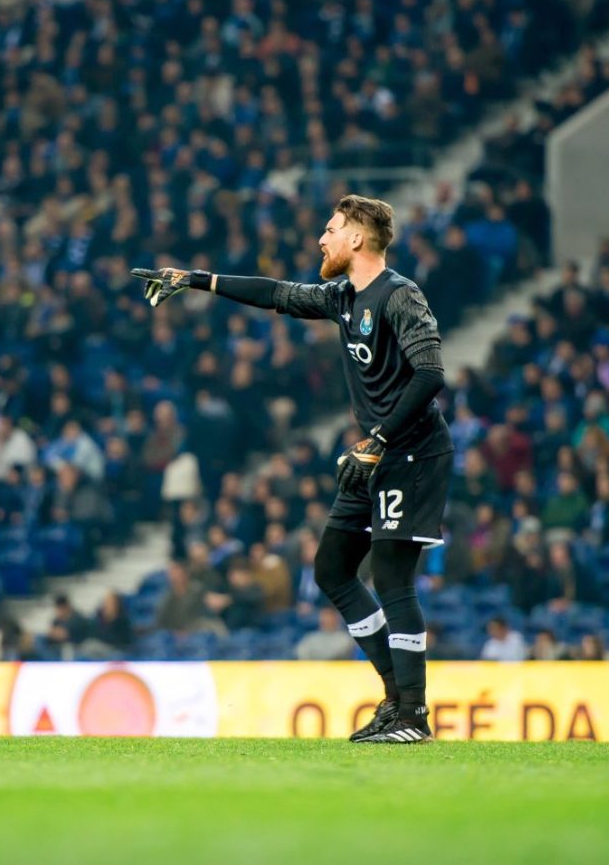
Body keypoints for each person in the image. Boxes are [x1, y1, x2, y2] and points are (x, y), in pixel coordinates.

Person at [133, 193, 454, 744]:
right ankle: (394, 698)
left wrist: (378, 438)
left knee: (392, 578)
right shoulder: (342, 297)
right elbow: (277, 294)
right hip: (372, 455)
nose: (321, 239)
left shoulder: (400, 295)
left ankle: (413, 715)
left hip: (411, 454)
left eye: (331, 229)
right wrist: (196, 279)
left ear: (357, 238)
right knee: (331, 569)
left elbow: (431, 374)